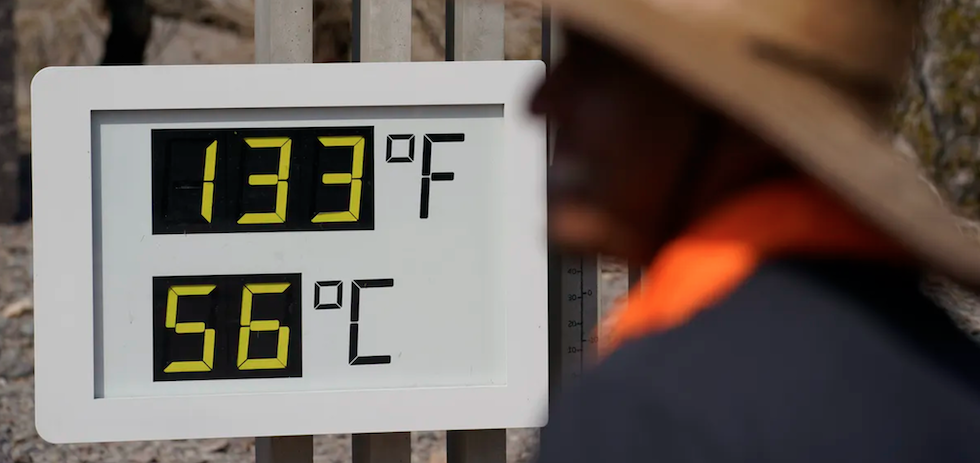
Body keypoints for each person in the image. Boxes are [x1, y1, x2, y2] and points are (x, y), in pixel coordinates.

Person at [529, 0, 980, 461]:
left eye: (598, 67)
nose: (541, 102)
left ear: (720, 107)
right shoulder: (955, 380)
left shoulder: (646, 413)